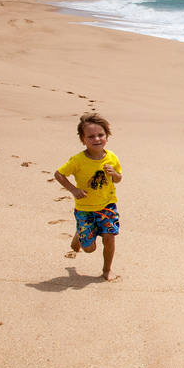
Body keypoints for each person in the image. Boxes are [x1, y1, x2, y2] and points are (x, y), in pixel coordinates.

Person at [54, 113, 123, 281]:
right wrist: (73, 190)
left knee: (110, 237)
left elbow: (118, 178)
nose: (97, 139)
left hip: (108, 205)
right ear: (83, 139)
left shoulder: (112, 157)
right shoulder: (78, 160)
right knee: (89, 248)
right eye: (91, 136)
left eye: (101, 135)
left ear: (107, 136)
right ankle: (80, 233)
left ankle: (107, 270)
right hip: (84, 209)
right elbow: (59, 174)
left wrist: (114, 173)